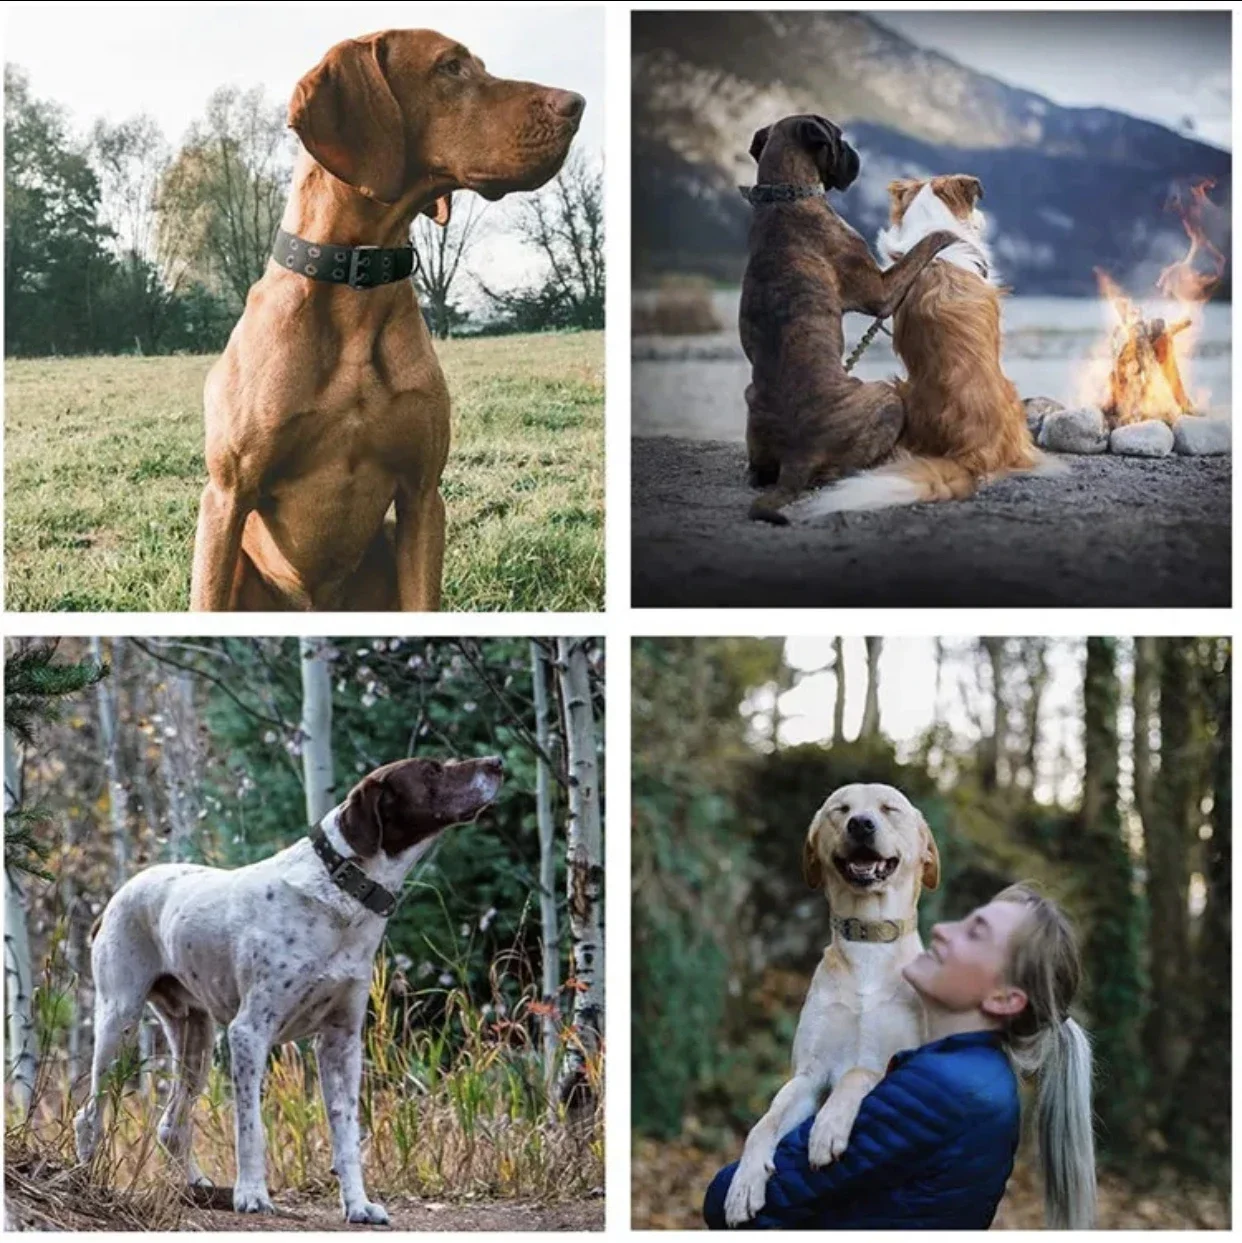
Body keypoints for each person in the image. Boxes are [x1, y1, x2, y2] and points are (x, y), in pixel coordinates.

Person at [703, 883, 1096, 1230]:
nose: (941, 930)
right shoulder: (976, 1074)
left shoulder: (938, 1088)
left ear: (1004, 999)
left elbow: (729, 1203)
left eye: (974, 933)